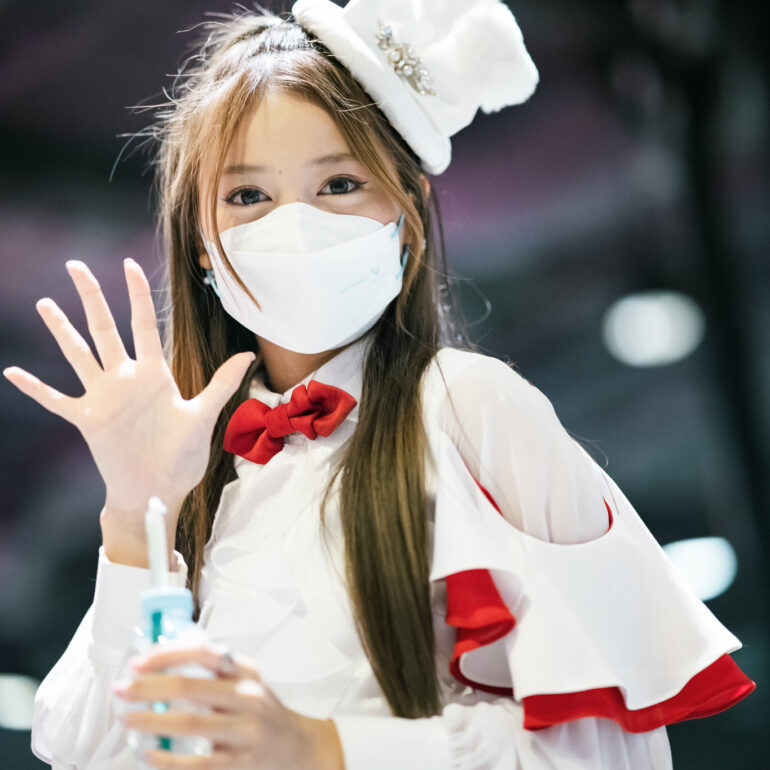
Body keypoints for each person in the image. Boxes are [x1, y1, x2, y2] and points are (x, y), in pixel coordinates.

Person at [5, 1, 755, 768]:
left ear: (409, 216)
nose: (294, 225)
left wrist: (320, 746)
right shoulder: (201, 469)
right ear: (200, 243)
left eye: (338, 183)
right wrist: (136, 515)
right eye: (247, 196)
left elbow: (607, 751)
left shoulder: (474, 408)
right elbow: (87, 745)